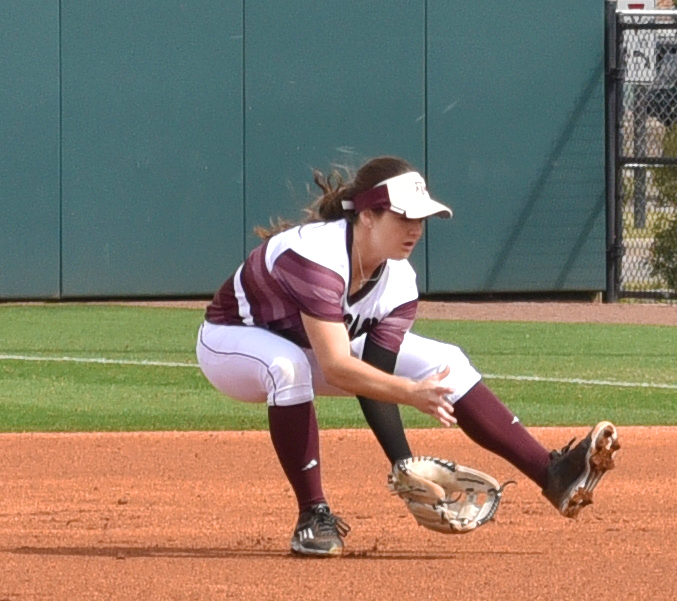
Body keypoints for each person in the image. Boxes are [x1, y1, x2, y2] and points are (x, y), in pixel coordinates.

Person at [195, 156, 619, 557]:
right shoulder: (314, 256)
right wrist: (410, 393)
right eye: (403, 216)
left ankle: (553, 475)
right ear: (367, 215)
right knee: (287, 367)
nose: (415, 228)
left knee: (444, 360)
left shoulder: (399, 280)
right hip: (234, 343)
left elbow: (374, 377)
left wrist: (404, 466)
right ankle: (313, 516)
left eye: (421, 218)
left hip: (314, 347)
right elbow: (339, 368)